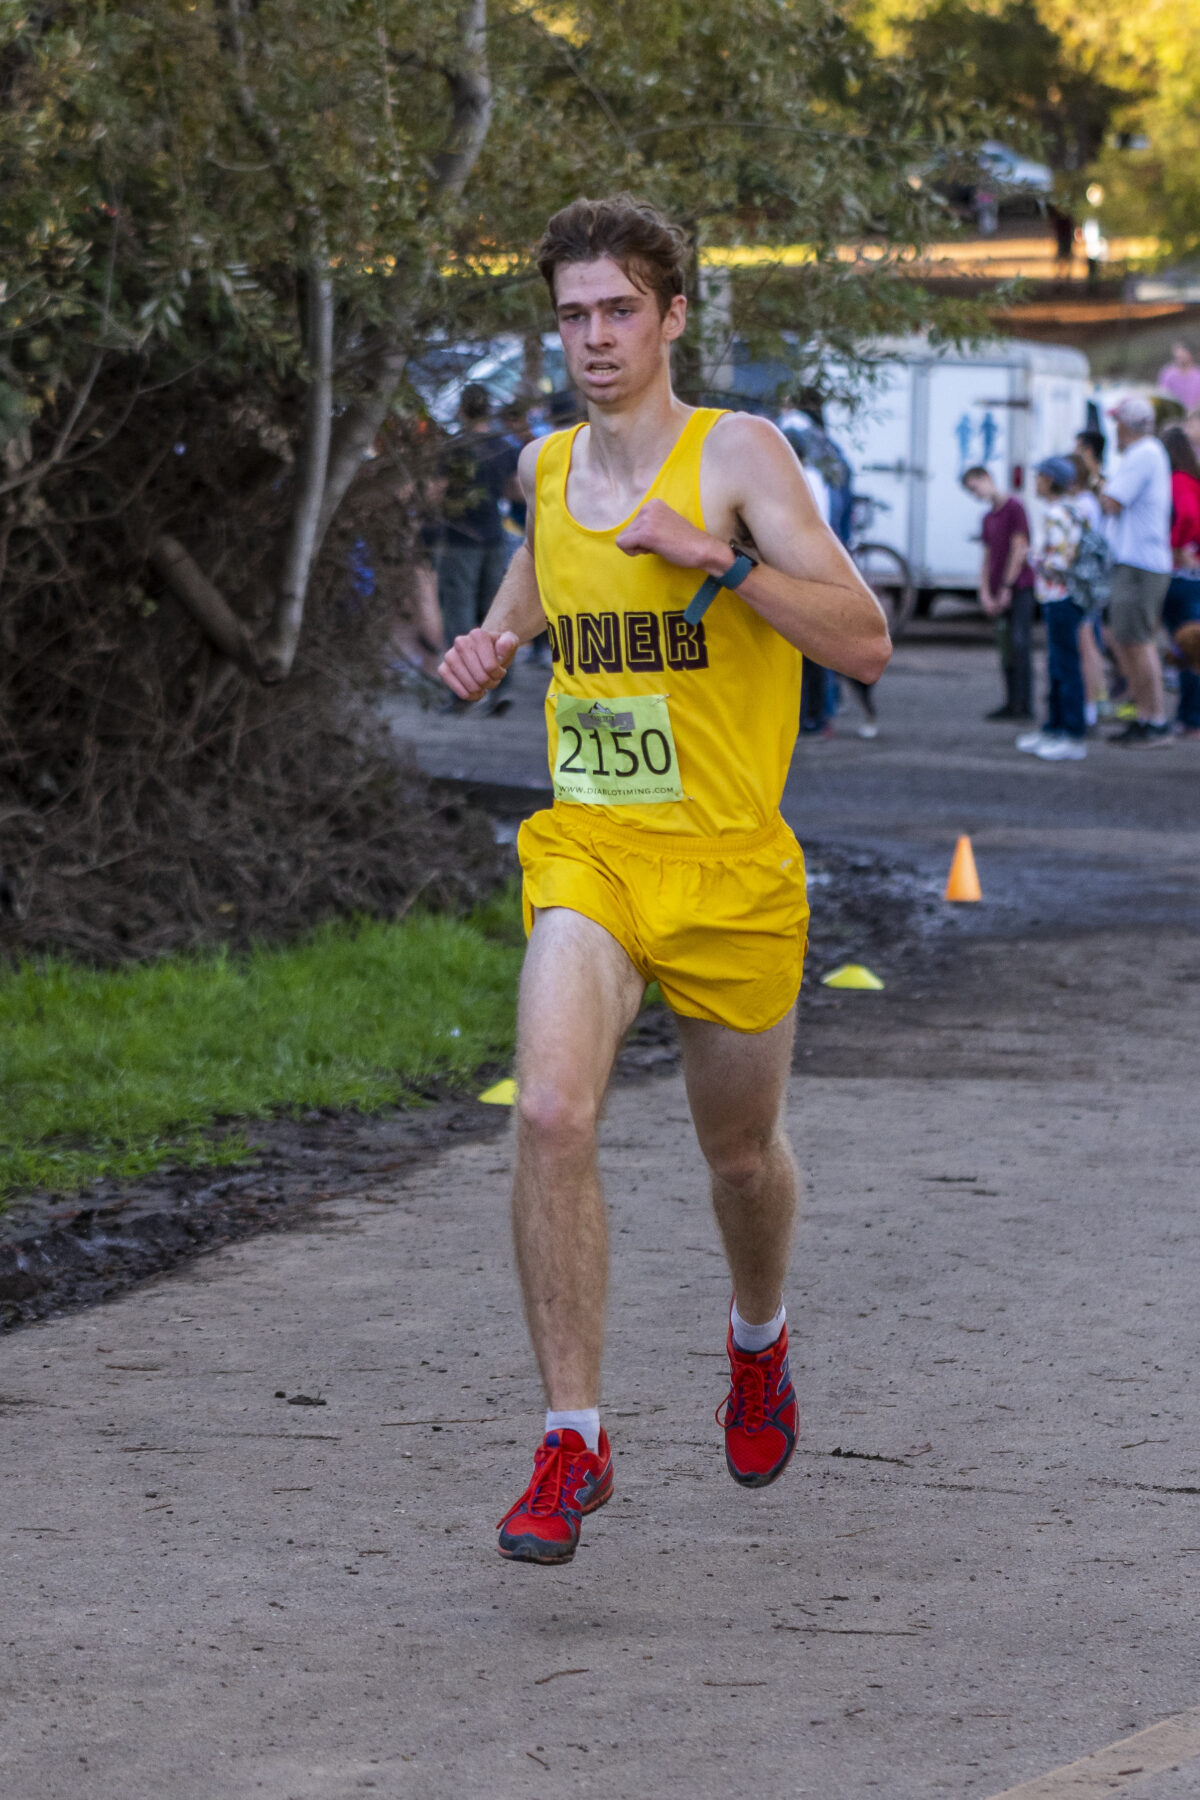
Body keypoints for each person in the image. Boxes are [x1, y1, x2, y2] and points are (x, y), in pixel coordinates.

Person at [438, 192, 890, 1565]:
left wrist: (723, 565)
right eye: (571, 314)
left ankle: (757, 1340)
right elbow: (548, 564)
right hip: (594, 851)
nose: (592, 338)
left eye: (618, 310)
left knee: (739, 1156)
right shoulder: (542, 465)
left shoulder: (737, 453)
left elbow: (865, 642)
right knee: (555, 1112)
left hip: (733, 868)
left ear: (673, 315)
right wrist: (499, 639)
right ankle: (572, 1440)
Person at [434, 383, 523, 715]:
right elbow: (516, 491)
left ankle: (463, 692)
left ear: (461, 410)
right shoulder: (504, 447)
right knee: (496, 615)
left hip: (459, 539)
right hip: (494, 538)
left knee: (459, 615)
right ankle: (503, 689)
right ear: (489, 411)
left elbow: (437, 491)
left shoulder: (453, 448)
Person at [1100, 395, 1174, 747]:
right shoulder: (1148, 453)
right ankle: (1146, 715)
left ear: (1127, 425)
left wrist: (1092, 480)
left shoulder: (1142, 454)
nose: (1113, 428)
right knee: (1128, 640)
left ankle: (1154, 719)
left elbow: (1112, 502)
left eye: (1116, 422)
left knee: (1137, 642)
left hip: (1139, 563)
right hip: (1138, 561)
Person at [1015, 457, 1087, 761]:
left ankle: (1071, 733)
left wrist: (1035, 560)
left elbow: (1059, 561)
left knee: (1063, 665)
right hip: (1064, 598)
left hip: (1059, 597)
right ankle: (1055, 728)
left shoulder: (1056, 514)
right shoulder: (1071, 510)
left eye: (1040, 476)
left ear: (1049, 479)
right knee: (1059, 663)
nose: (1036, 481)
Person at [961, 466, 1036, 722]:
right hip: (997, 589)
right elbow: (987, 556)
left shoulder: (1014, 507)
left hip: (1019, 587)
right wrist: (984, 591)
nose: (976, 494)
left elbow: (1019, 547)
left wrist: (1006, 586)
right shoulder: (988, 517)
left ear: (987, 478)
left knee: (1020, 642)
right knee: (1006, 646)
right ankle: (1011, 701)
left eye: (975, 487)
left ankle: (1024, 704)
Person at [1160, 424, 1200, 738]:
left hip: (1183, 577)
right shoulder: (1192, 479)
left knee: (1188, 649)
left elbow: (1187, 516)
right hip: (1191, 575)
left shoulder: (1177, 480)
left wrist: (1174, 546)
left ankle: (1191, 718)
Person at [1067, 452, 1110, 726]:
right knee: (1090, 642)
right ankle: (1097, 700)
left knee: (1085, 644)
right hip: (1091, 583)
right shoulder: (1089, 502)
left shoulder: (1081, 505)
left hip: (1083, 584)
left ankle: (1090, 706)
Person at [1156, 342, 1200, 414]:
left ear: (1190, 355)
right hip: (1173, 415)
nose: (1179, 358)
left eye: (1181, 355)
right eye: (1177, 356)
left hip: (1195, 415)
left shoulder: (1198, 374)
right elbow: (1163, 395)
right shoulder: (1167, 373)